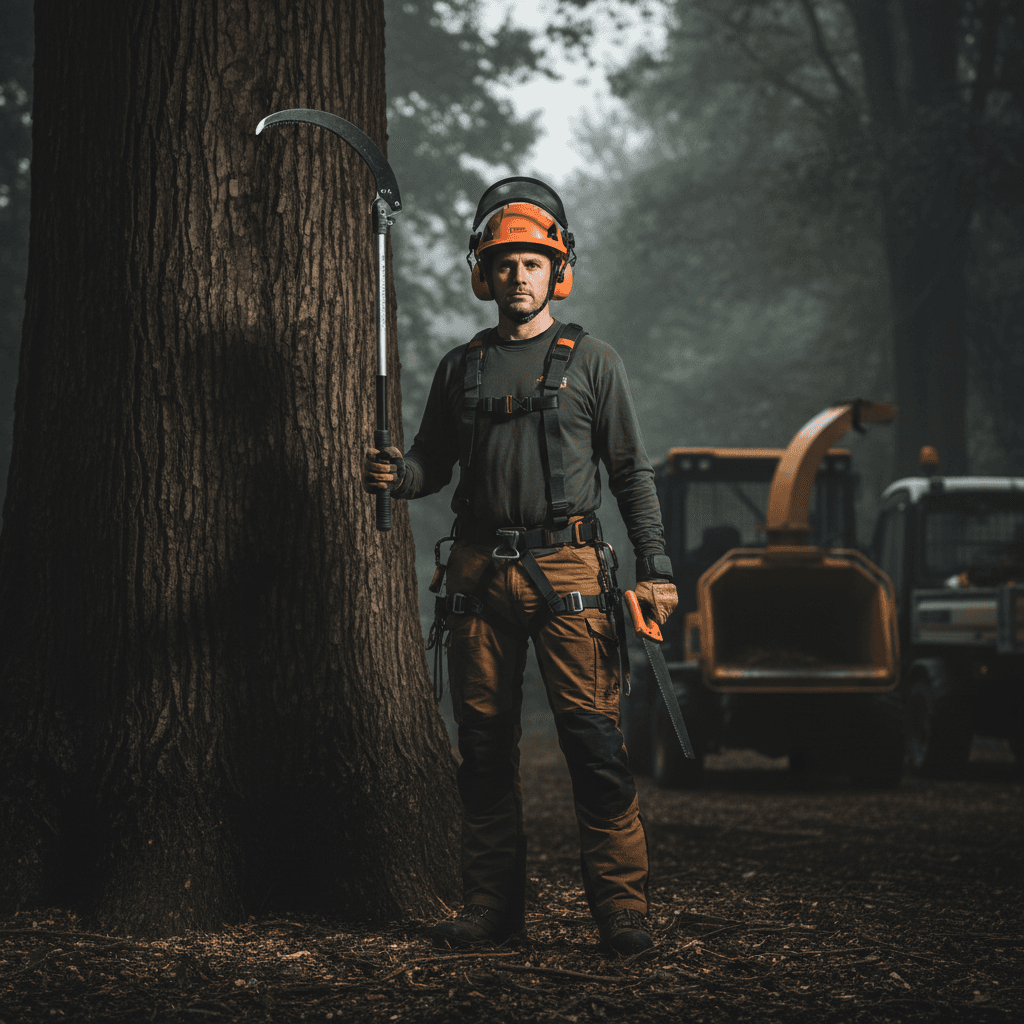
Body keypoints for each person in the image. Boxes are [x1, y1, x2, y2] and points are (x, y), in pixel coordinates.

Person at [362, 177, 678, 956]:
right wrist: (397, 475)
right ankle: (491, 909)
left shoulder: (595, 362)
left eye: (533, 263)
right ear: (483, 274)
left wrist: (658, 569)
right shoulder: (459, 369)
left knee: (595, 748)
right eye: (504, 264)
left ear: (558, 269)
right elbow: (433, 462)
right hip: (476, 576)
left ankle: (622, 912)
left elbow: (633, 473)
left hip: (570, 572)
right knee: (484, 753)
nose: (519, 276)